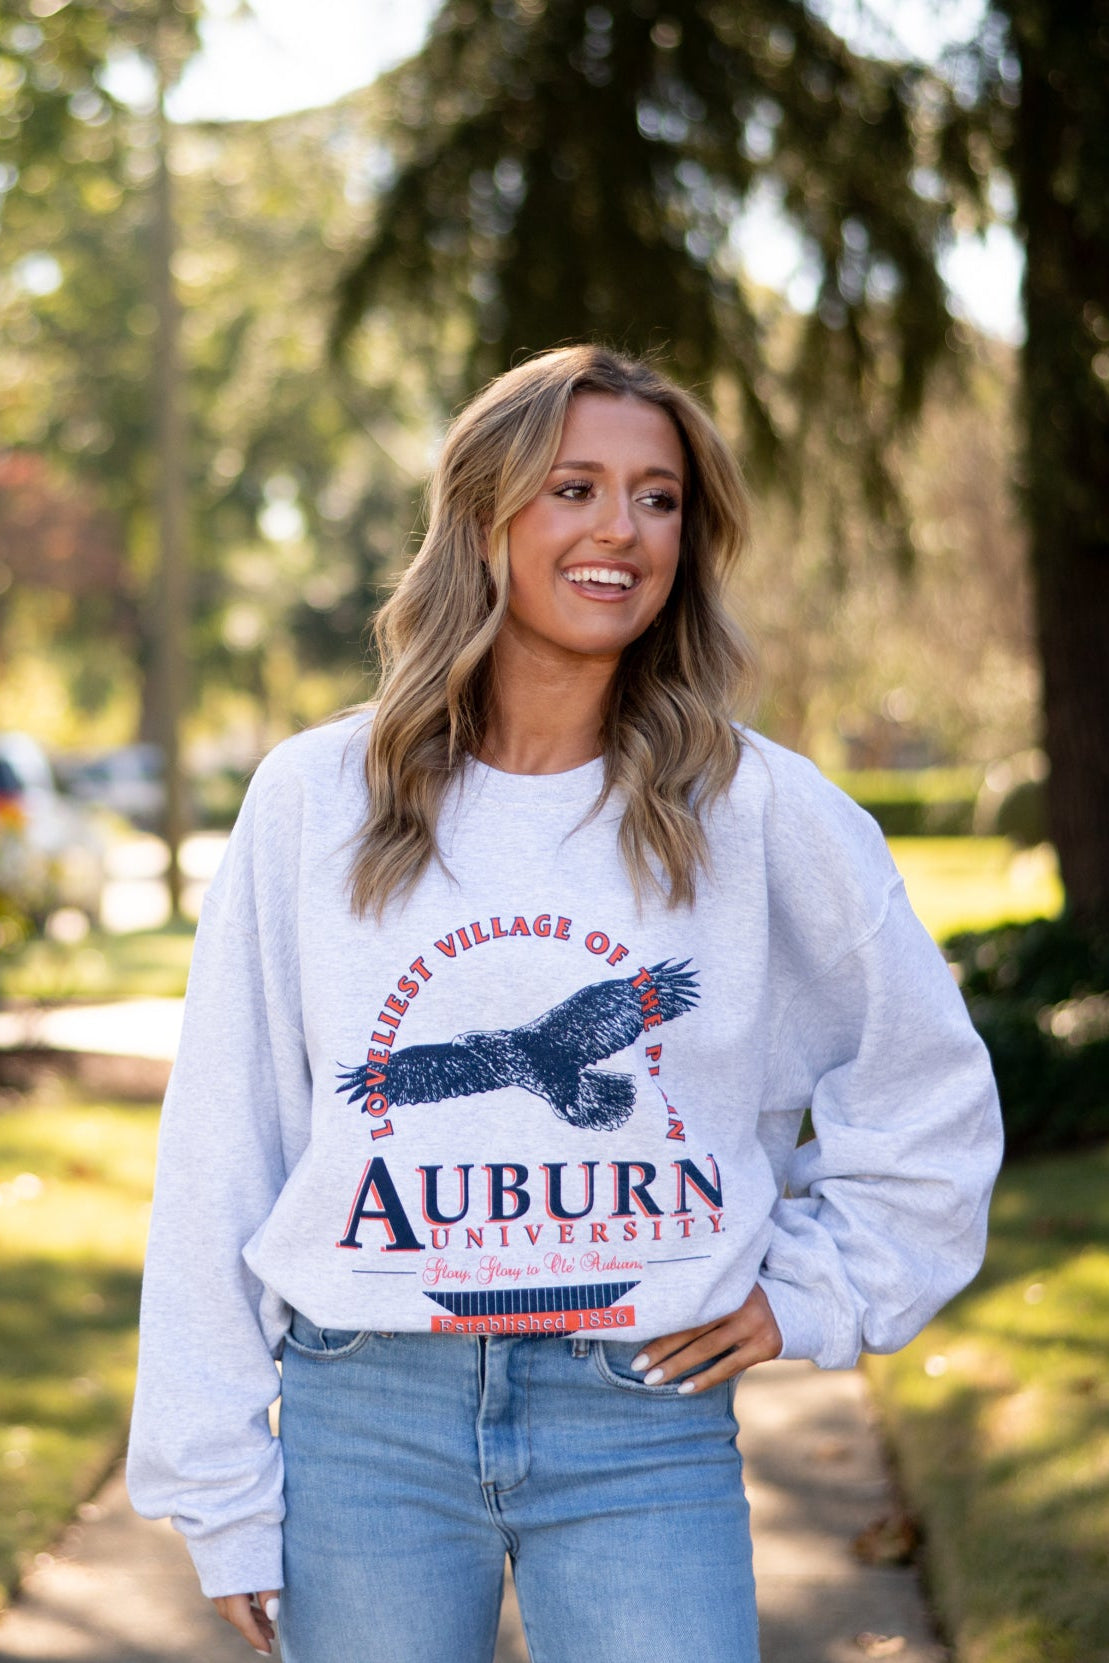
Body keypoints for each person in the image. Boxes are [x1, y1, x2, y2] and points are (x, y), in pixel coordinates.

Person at [127, 345, 1003, 1662]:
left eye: (657, 499)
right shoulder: (316, 800)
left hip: (640, 1413)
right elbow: (221, 1148)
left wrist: (814, 1292)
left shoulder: (757, 809)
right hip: (364, 1418)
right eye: (574, 488)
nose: (621, 530)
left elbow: (923, 1087)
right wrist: (218, 1493)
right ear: (485, 518)